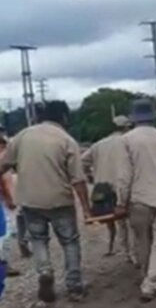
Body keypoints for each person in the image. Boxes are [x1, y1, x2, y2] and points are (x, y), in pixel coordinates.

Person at [0, 100, 92, 303]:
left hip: (31, 201)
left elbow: (2, 165)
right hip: (60, 200)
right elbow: (78, 179)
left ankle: (45, 272)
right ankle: (75, 286)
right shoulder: (66, 140)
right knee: (69, 242)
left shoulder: (22, 136)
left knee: (39, 240)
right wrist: (86, 209)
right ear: (64, 117)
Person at [117, 99, 156, 303]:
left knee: (142, 240)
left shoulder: (127, 140)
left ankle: (146, 277)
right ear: (153, 117)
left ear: (133, 119)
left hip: (141, 197)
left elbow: (124, 176)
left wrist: (120, 201)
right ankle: (152, 282)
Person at [82, 115, 136, 262]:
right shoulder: (128, 141)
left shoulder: (98, 145)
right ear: (126, 127)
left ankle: (125, 252)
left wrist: (89, 175)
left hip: (104, 190)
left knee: (117, 222)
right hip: (126, 185)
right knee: (132, 222)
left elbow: (82, 162)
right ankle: (135, 253)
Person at [0, 136, 21, 277]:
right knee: (5, 234)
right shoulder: (2, 160)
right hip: (3, 201)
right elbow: (3, 182)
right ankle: (3, 264)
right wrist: (9, 199)